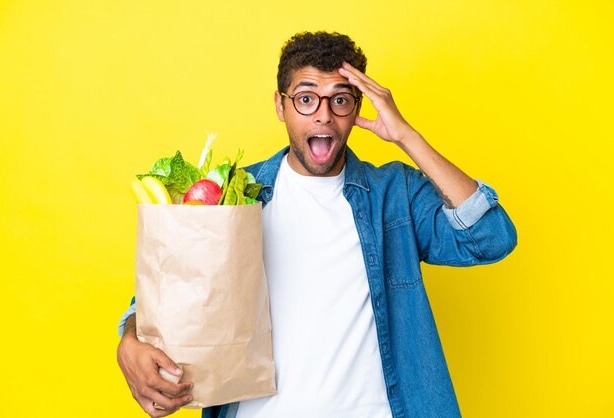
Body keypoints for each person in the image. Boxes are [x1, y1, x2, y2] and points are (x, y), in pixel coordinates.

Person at [117, 31, 517, 418]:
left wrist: (406, 136)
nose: (323, 115)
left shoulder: (394, 194)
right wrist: (130, 339)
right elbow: (168, 297)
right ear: (281, 105)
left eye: (340, 100)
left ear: (357, 108)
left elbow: (491, 238)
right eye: (306, 98)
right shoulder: (235, 194)